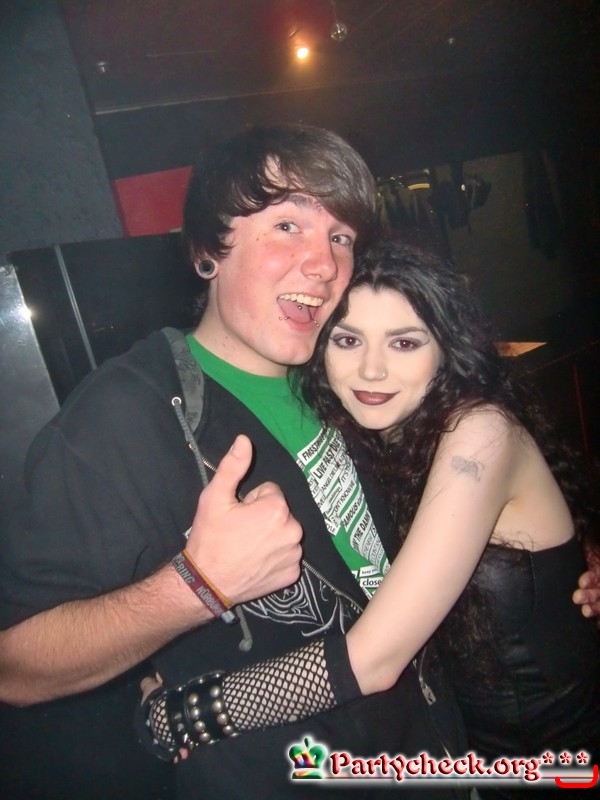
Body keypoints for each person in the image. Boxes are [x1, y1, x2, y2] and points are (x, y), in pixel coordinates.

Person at [0, 125, 469, 799]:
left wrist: (545, 566)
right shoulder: (124, 416)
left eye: (341, 236)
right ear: (207, 251)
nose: (324, 264)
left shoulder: (342, 377)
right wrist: (199, 584)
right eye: (288, 226)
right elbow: (15, 665)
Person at [141, 238, 600, 796]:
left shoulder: (479, 433)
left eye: (405, 342)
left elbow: (375, 657)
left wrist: (181, 713)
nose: (372, 369)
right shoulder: (376, 440)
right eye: (348, 339)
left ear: (447, 348)